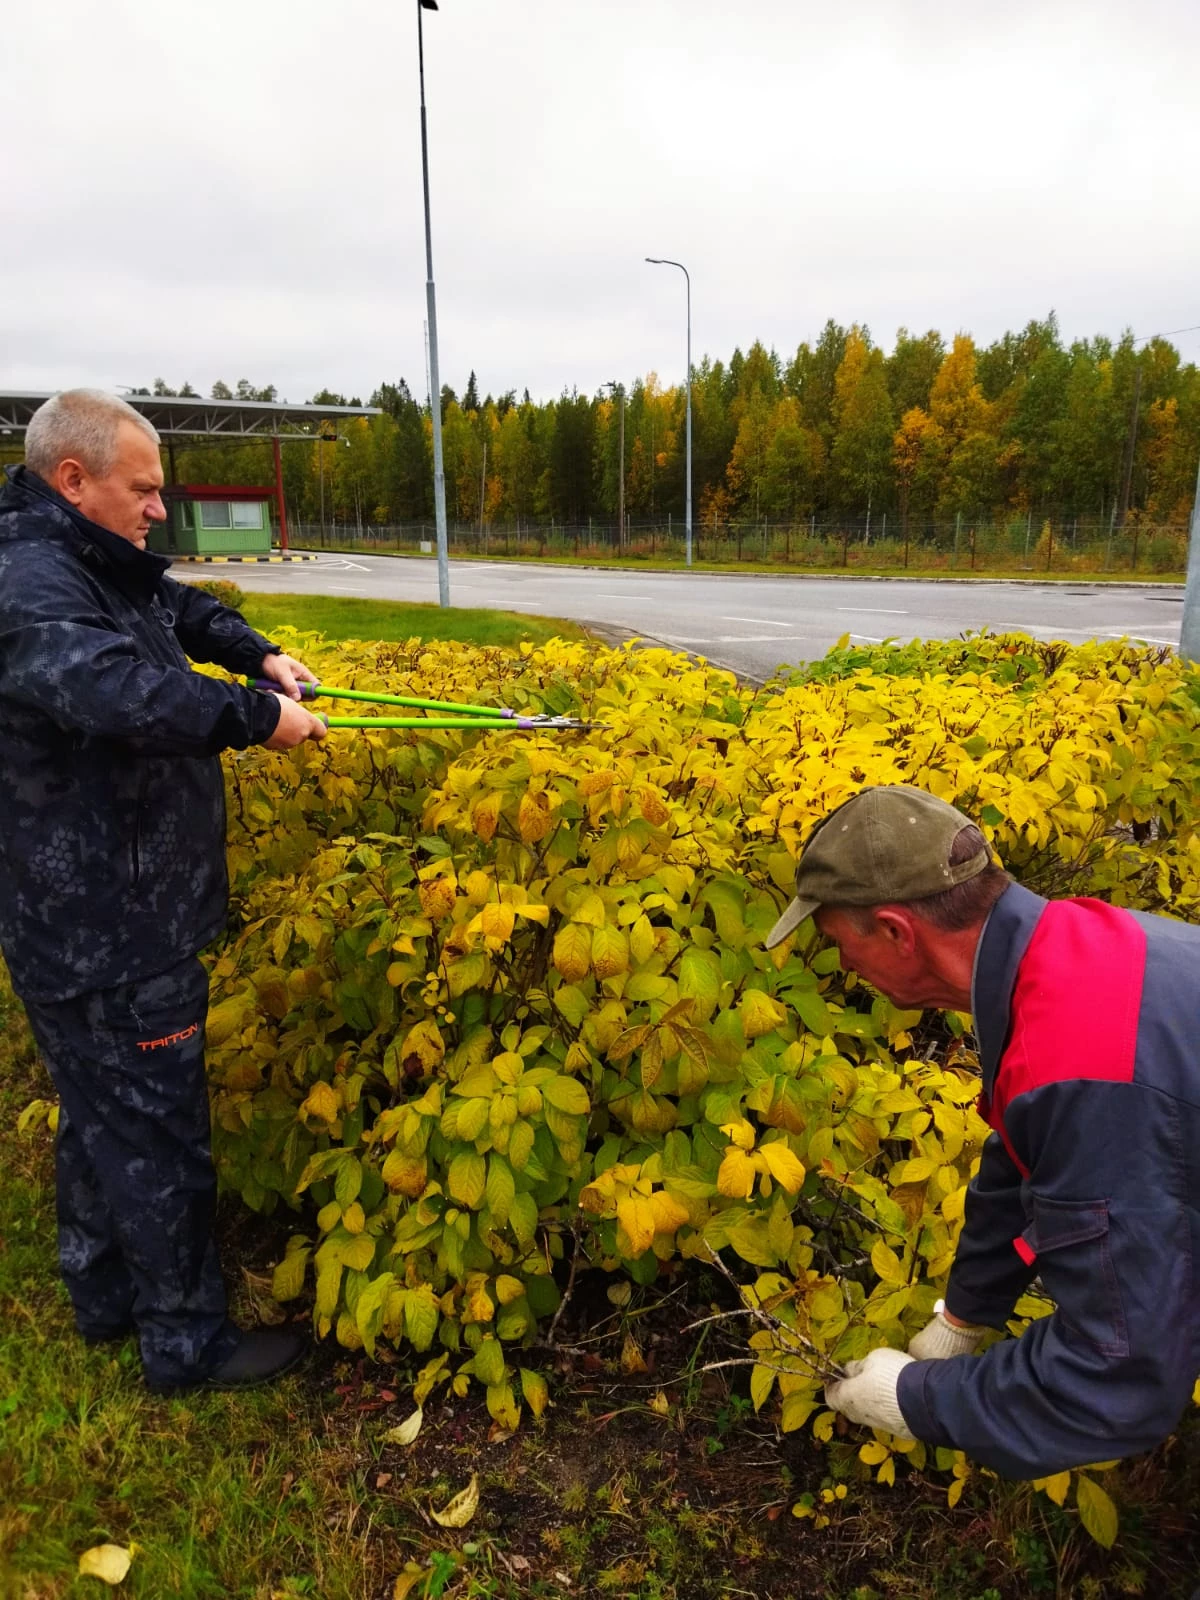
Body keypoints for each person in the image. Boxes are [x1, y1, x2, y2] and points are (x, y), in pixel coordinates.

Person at [0, 389, 328, 1393]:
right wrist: (252, 716)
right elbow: (115, 689)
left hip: (109, 912)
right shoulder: (27, 584)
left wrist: (251, 650)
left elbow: (172, 606)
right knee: (157, 1130)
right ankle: (187, 1341)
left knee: (103, 1111)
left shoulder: (85, 559)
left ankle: (101, 1293)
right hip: (106, 924)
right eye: (143, 489)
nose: (158, 509)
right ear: (74, 480)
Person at [763, 784, 1200, 1480]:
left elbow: (1116, 1380)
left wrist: (915, 1401)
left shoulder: (1079, 1067)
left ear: (896, 932)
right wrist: (964, 1316)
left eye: (837, 942)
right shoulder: (1068, 955)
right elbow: (1022, 1160)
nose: (842, 966)